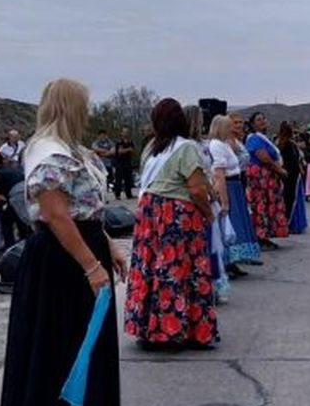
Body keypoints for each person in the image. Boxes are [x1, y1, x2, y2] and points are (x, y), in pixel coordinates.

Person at [0, 78, 129, 406]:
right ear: (70, 107)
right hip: (62, 261)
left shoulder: (73, 152)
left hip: (79, 246)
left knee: (85, 343)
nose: (88, 112)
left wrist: (109, 246)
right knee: (64, 346)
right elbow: (55, 214)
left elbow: (84, 209)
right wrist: (91, 264)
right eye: (83, 105)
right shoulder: (49, 152)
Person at [124, 98, 218, 350]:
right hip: (176, 214)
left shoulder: (152, 148)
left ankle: (150, 327)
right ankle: (177, 328)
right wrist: (209, 214)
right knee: (178, 268)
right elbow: (197, 189)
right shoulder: (186, 148)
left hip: (149, 214)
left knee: (151, 266)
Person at [207, 115, 260, 275]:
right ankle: (227, 261)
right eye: (228, 126)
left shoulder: (225, 143)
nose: (232, 129)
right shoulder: (216, 145)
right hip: (228, 185)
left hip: (235, 185)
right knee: (229, 223)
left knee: (237, 222)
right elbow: (219, 174)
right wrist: (224, 200)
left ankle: (233, 261)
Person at [243, 112, 289, 248]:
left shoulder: (263, 138)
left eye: (263, 118)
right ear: (252, 124)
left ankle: (265, 235)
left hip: (267, 176)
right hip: (260, 176)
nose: (262, 121)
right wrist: (279, 170)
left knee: (268, 204)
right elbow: (264, 157)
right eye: (258, 120)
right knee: (260, 204)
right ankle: (260, 236)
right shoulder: (254, 138)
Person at [280, 124, 307, 235]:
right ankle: (290, 223)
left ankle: (291, 223)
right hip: (291, 175)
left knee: (290, 198)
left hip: (293, 175)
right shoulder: (288, 145)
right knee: (291, 198)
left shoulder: (286, 144)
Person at [112, 129, 135, 200]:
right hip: (120, 163)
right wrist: (128, 150)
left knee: (128, 179)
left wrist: (130, 150)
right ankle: (117, 194)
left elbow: (133, 151)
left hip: (128, 163)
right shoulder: (119, 142)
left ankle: (129, 194)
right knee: (118, 179)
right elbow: (119, 152)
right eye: (124, 132)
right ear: (121, 134)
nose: (125, 134)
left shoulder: (130, 142)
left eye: (127, 132)